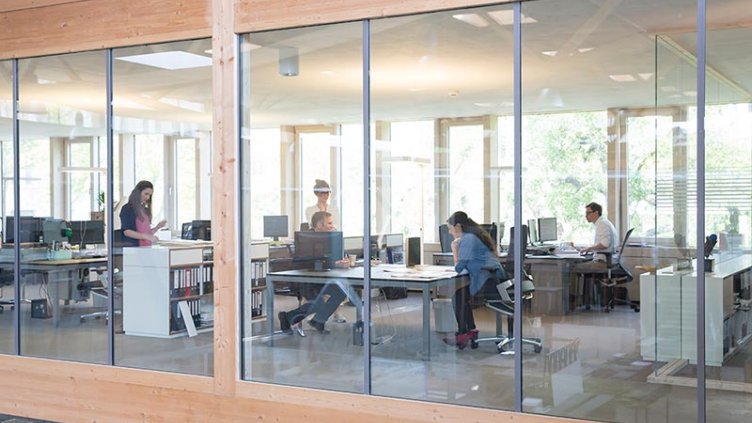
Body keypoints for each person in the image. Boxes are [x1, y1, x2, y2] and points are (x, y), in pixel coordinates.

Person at [278, 211, 348, 334]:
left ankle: (318, 320)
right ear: (320, 225)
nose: (332, 226)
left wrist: (340, 261)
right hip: (305, 280)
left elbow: (327, 259)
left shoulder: (329, 238)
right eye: (329, 223)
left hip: (322, 278)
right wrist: (332, 264)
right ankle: (287, 317)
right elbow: (310, 262)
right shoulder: (307, 239)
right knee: (320, 302)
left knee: (341, 291)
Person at [444, 211, 505, 350]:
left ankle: (464, 333)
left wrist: (454, 249)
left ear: (458, 226)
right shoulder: (473, 236)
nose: (449, 232)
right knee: (461, 295)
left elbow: (459, 268)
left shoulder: (467, 239)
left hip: (489, 282)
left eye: (450, 228)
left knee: (458, 297)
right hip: (495, 279)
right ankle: (469, 331)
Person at [569, 202, 618, 306]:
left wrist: (589, 248)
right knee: (580, 265)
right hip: (607, 259)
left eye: (588, 213)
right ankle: (585, 301)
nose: (586, 216)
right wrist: (588, 249)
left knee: (570, 268)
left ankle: (572, 301)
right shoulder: (602, 223)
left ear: (596, 213)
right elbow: (602, 243)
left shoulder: (602, 224)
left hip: (603, 262)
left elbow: (605, 244)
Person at [119, 180, 167, 247]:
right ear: (138, 192)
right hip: (134, 249)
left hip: (146, 248)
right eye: (146, 194)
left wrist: (157, 227)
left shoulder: (144, 209)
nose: (148, 197)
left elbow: (147, 234)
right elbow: (127, 232)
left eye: (150, 195)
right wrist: (147, 237)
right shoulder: (127, 208)